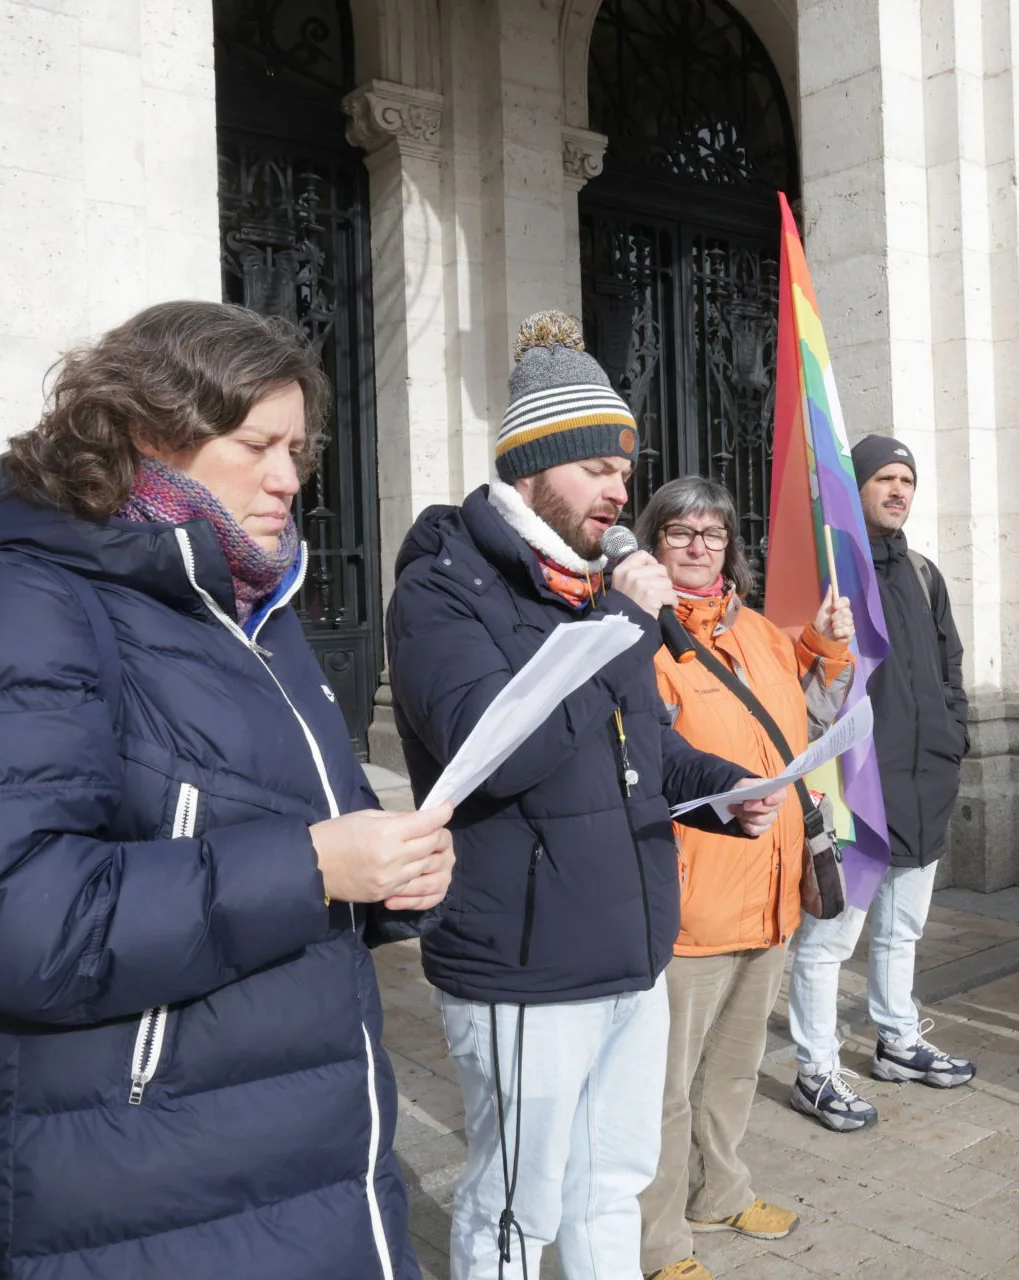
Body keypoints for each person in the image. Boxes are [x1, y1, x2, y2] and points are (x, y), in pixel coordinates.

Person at [0, 301, 457, 1279]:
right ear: (147, 428)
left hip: (311, 1164)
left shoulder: (254, 616)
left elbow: (294, 830)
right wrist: (312, 864)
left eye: (299, 449)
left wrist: (385, 874)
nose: (288, 476)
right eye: (256, 442)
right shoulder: (4, 606)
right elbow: (9, 921)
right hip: (131, 1195)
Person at [387, 312, 786, 1280]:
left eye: (623, 467)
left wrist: (720, 785)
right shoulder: (447, 587)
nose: (621, 489)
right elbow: (502, 752)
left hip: (632, 945)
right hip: (526, 958)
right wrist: (622, 623)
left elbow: (639, 741)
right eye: (599, 467)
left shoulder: (588, 585)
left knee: (614, 1179)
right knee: (522, 1199)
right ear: (533, 467)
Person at [632, 477, 855, 1280]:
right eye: (680, 534)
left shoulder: (759, 632)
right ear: (652, 543)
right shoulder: (641, 643)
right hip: (693, 904)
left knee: (730, 1071)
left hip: (770, 895)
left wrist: (826, 646)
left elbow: (809, 707)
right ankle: (659, 1244)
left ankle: (721, 1192)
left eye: (713, 535)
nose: (698, 548)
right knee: (665, 1089)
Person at [787, 434, 976, 1131]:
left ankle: (897, 1039)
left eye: (906, 479)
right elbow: (801, 673)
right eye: (883, 479)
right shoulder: (830, 576)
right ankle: (816, 1069)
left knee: (904, 929)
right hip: (857, 787)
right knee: (830, 939)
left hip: (927, 780)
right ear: (857, 487)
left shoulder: (924, 573)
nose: (897, 490)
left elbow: (950, 665)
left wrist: (954, 737)